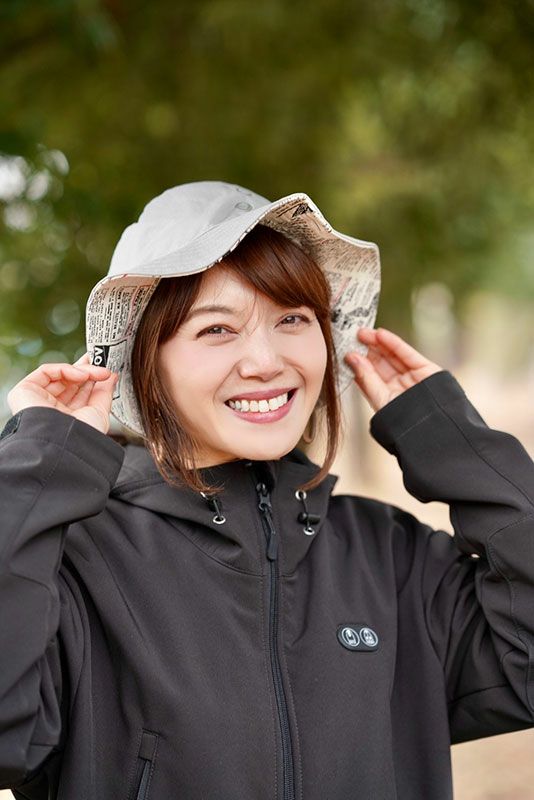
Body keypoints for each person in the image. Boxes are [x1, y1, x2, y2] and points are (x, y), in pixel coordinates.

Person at [1, 181, 533, 800]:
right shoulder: (73, 565)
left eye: (291, 319)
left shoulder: (392, 559)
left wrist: (449, 440)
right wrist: (41, 467)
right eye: (216, 330)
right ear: (146, 362)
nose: (265, 361)